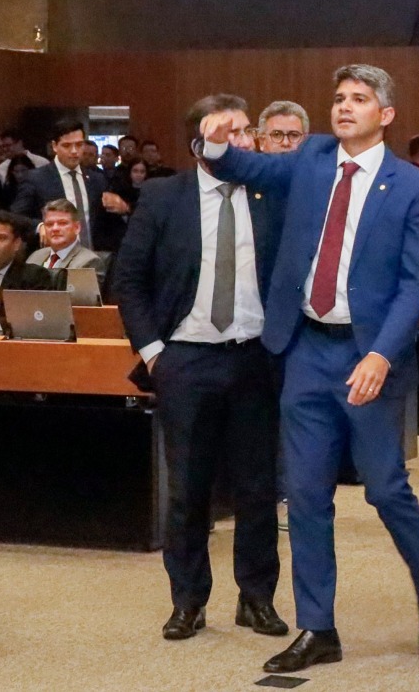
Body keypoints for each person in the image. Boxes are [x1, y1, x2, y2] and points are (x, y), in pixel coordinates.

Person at [199, 64, 419, 674]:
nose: (344, 107)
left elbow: (417, 284)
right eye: (339, 98)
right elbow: (246, 167)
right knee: (307, 496)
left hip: (369, 354)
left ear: (385, 115)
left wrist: (381, 355)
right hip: (307, 349)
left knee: (385, 488)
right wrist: (215, 144)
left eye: (359, 99)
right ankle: (319, 628)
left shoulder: (413, 186)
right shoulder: (311, 157)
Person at [113, 94, 289, 645]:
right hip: (186, 359)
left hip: (255, 357)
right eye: (229, 132)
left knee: (258, 486)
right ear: (200, 143)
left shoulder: (270, 194)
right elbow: (129, 279)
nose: (244, 141)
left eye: (246, 130)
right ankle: (188, 601)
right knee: (188, 487)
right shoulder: (163, 196)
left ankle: (256, 597)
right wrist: (154, 353)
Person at [12, 118, 113, 249]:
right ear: (55, 146)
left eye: (79, 145)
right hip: (52, 254)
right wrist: (40, 226)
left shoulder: (97, 179)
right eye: (67, 146)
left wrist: (123, 208)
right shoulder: (36, 178)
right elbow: (15, 216)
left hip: (91, 254)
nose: (74, 151)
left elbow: (106, 222)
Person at [26, 199, 102, 271]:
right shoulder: (35, 256)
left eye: (62, 223)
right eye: (50, 224)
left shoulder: (89, 261)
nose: (55, 228)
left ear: (77, 228)